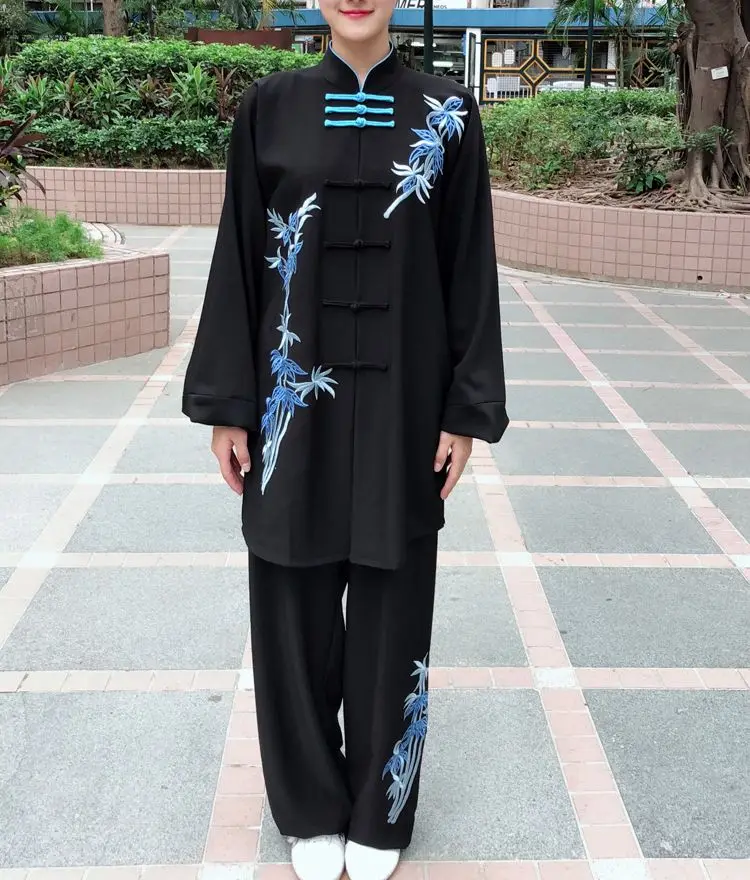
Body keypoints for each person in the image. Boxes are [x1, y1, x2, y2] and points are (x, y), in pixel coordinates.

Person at [181, 0, 508, 877]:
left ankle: (380, 812)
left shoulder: (448, 111)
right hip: (294, 403)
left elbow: (469, 261)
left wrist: (465, 409)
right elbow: (238, 255)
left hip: (407, 407)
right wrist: (228, 404)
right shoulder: (270, 106)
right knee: (290, 604)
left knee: (394, 608)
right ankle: (309, 807)